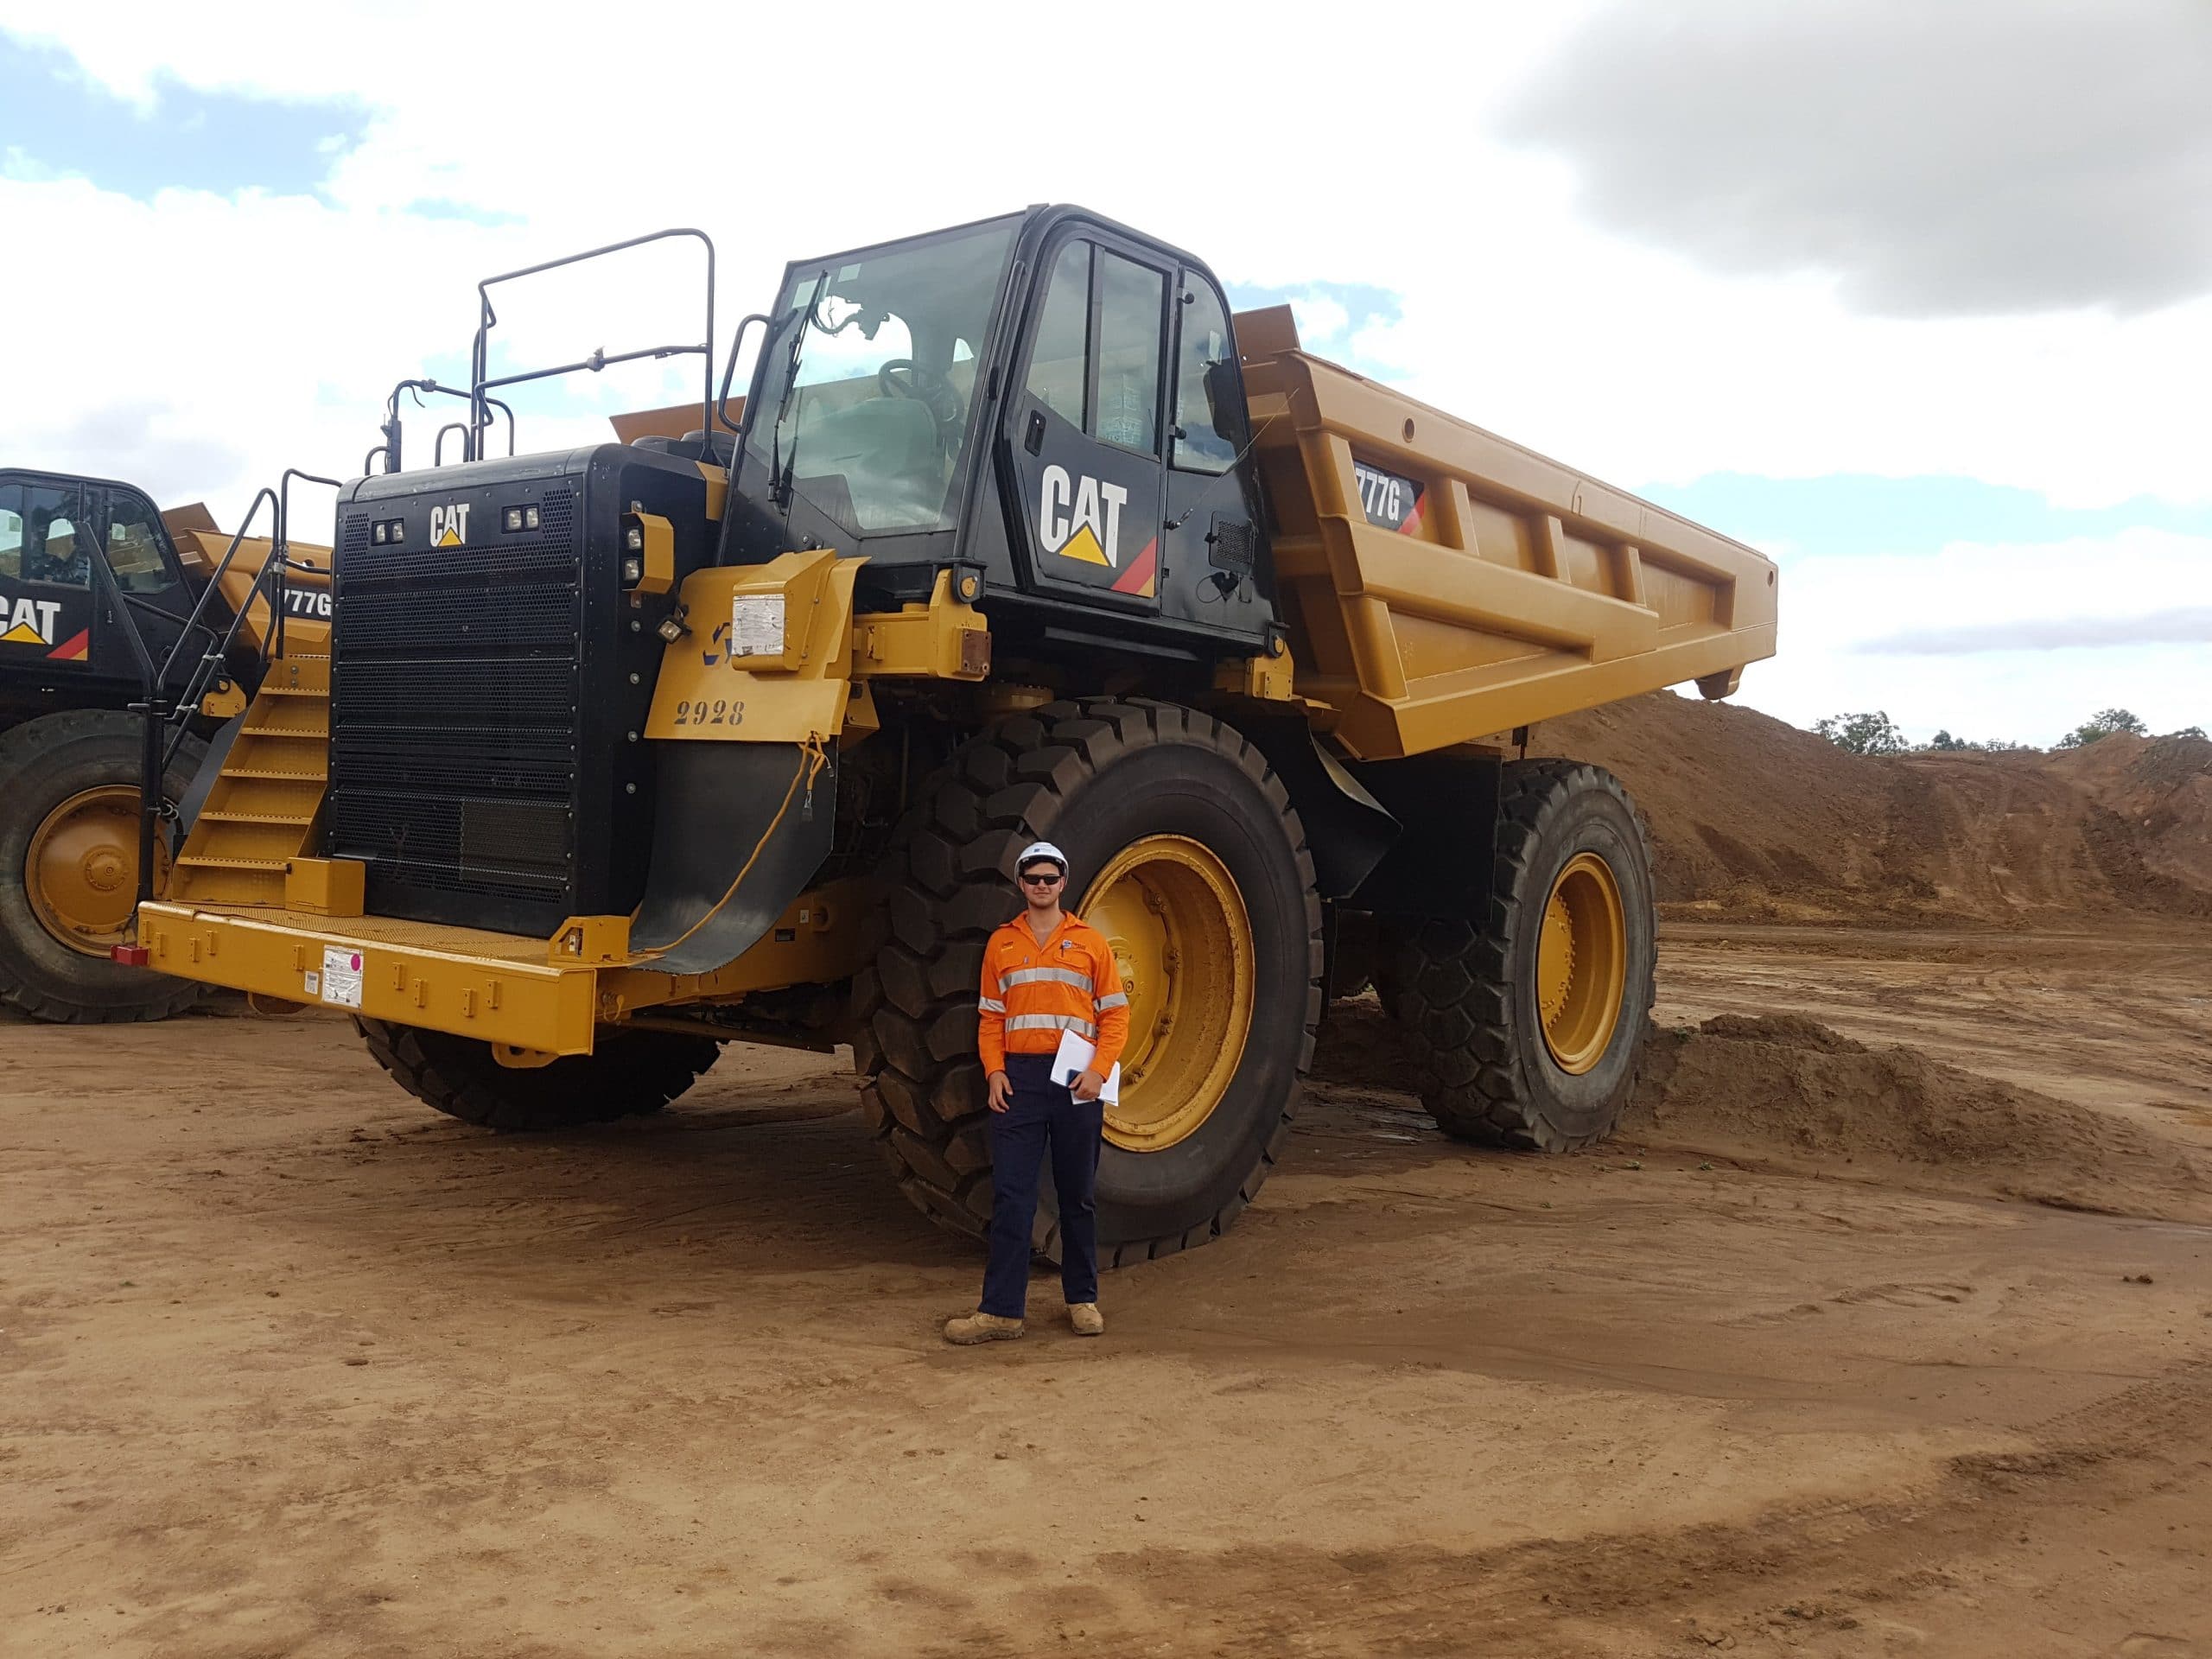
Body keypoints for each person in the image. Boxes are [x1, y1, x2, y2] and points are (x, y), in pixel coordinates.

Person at [943, 841, 1128, 1344]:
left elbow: (1115, 1015)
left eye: (1050, 878)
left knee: (1077, 1196)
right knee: (1011, 1196)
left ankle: (1082, 1300)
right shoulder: (1002, 944)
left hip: (1075, 1080)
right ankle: (1001, 1311)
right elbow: (990, 1016)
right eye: (1033, 879)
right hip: (1019, 1081)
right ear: (1021, 884)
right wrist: (994, 1072)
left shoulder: (1091, 942)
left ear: (1063, 882)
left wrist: (1098, 1071)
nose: (1041, 886)